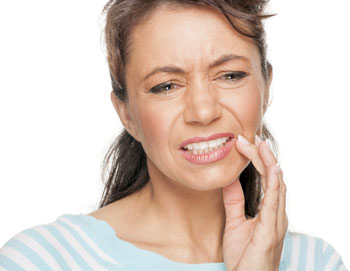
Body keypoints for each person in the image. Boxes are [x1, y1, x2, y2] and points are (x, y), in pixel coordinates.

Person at [0, 0, 348, 270]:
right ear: (127, 114)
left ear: (266, 86)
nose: (203, 111)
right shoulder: (45, 260)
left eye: (230, 76)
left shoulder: (316, 262)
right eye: (166, 85)